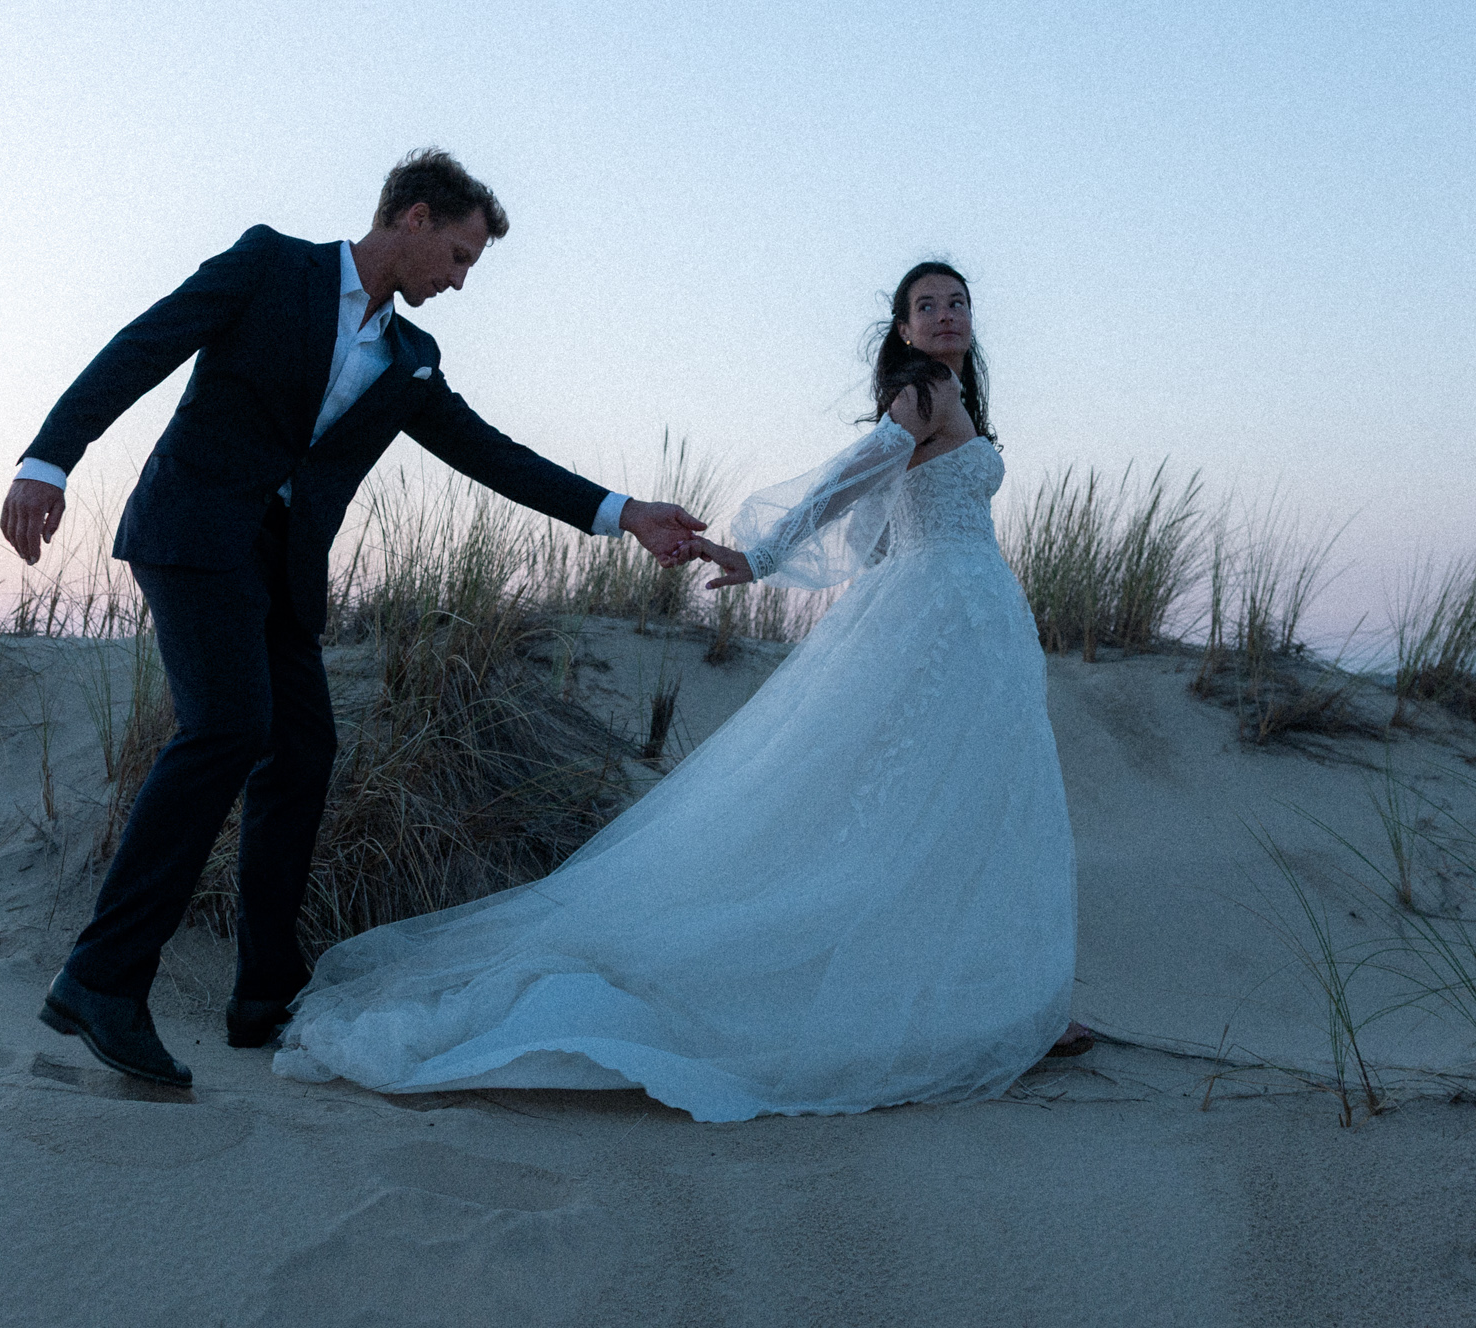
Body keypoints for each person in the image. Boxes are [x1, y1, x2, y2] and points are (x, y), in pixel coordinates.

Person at [274, 261, 1087, 1122]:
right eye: (927, 306)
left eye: (958, 302)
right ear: (903, 329)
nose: (947, 315)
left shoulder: (953, 397)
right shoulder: (925, 393)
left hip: (962, 618)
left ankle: (995, 998)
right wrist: (760, 555)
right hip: (942, 614)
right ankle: (977, 1005)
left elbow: (891, 514)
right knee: (942, 801)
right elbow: (853, 475)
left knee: (968, 799)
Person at [2, 149, 706, 1086]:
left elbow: (491, 454)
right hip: (193, 530)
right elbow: (142, 347)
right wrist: (49, 460)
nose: (459, 282)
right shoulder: (269, 266)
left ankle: (264, 992)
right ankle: (101, 979)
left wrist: (624, 513)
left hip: (281, 573)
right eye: (458, 256)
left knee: (302, 751)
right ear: (413, 218)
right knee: (227, 727)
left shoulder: (411, 360)